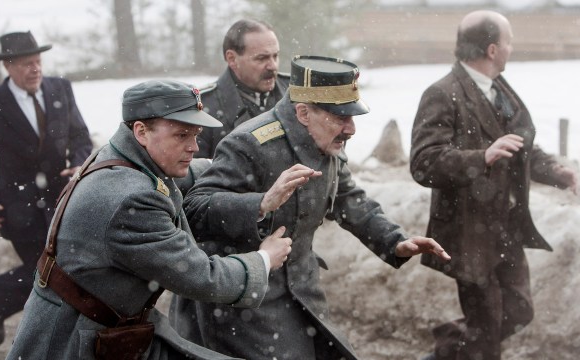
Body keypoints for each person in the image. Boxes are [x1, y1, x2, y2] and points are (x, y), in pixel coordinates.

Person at [170, 55, 451, 360]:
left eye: (353, 117)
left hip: (302, 290)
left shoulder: (328, 142)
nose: (351, 129)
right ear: (303, 112)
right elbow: (196, 209)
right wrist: (261, 203)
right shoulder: (249, 144)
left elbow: (348, 199)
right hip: (245, 302)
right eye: (341, 117)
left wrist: (395, 241)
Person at [5, 79, 293, 360]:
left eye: (196, 135)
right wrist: (264, 259)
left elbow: (181, 173)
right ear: (142, 132)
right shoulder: (132, 200)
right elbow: (202, 277)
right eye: (182, 135)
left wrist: (240, 167)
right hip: (77, 342)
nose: (194, 147)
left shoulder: (119, 156)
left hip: (97, 327)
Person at [409, 10, 578, 360]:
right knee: (486, 330)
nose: (512, 48)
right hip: (469, 232)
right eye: (509, 41)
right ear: (492, 49)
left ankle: (447, 350)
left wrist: (565, 175)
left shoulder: (501, 90)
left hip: (506, 228)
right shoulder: (441, 93)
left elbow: (523, 150)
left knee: (519, 310)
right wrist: (481, 157)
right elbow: (423, 163)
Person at [0, 31, 93, 346]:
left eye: (38, 61)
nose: (35, 69)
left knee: (58, 275)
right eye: (26, 64)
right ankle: (39, 333)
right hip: (19, 208)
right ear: (8, 66)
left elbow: (81, 136)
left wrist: (79, 163)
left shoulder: (60, 88)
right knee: (51, 278)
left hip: (62, 201)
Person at [195, 18, 290, 159]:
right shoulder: (202, 108)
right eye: (262, 58)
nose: (273, 66)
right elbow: (195, 174)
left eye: (275, 56)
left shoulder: (296, 92)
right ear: (232, 59)